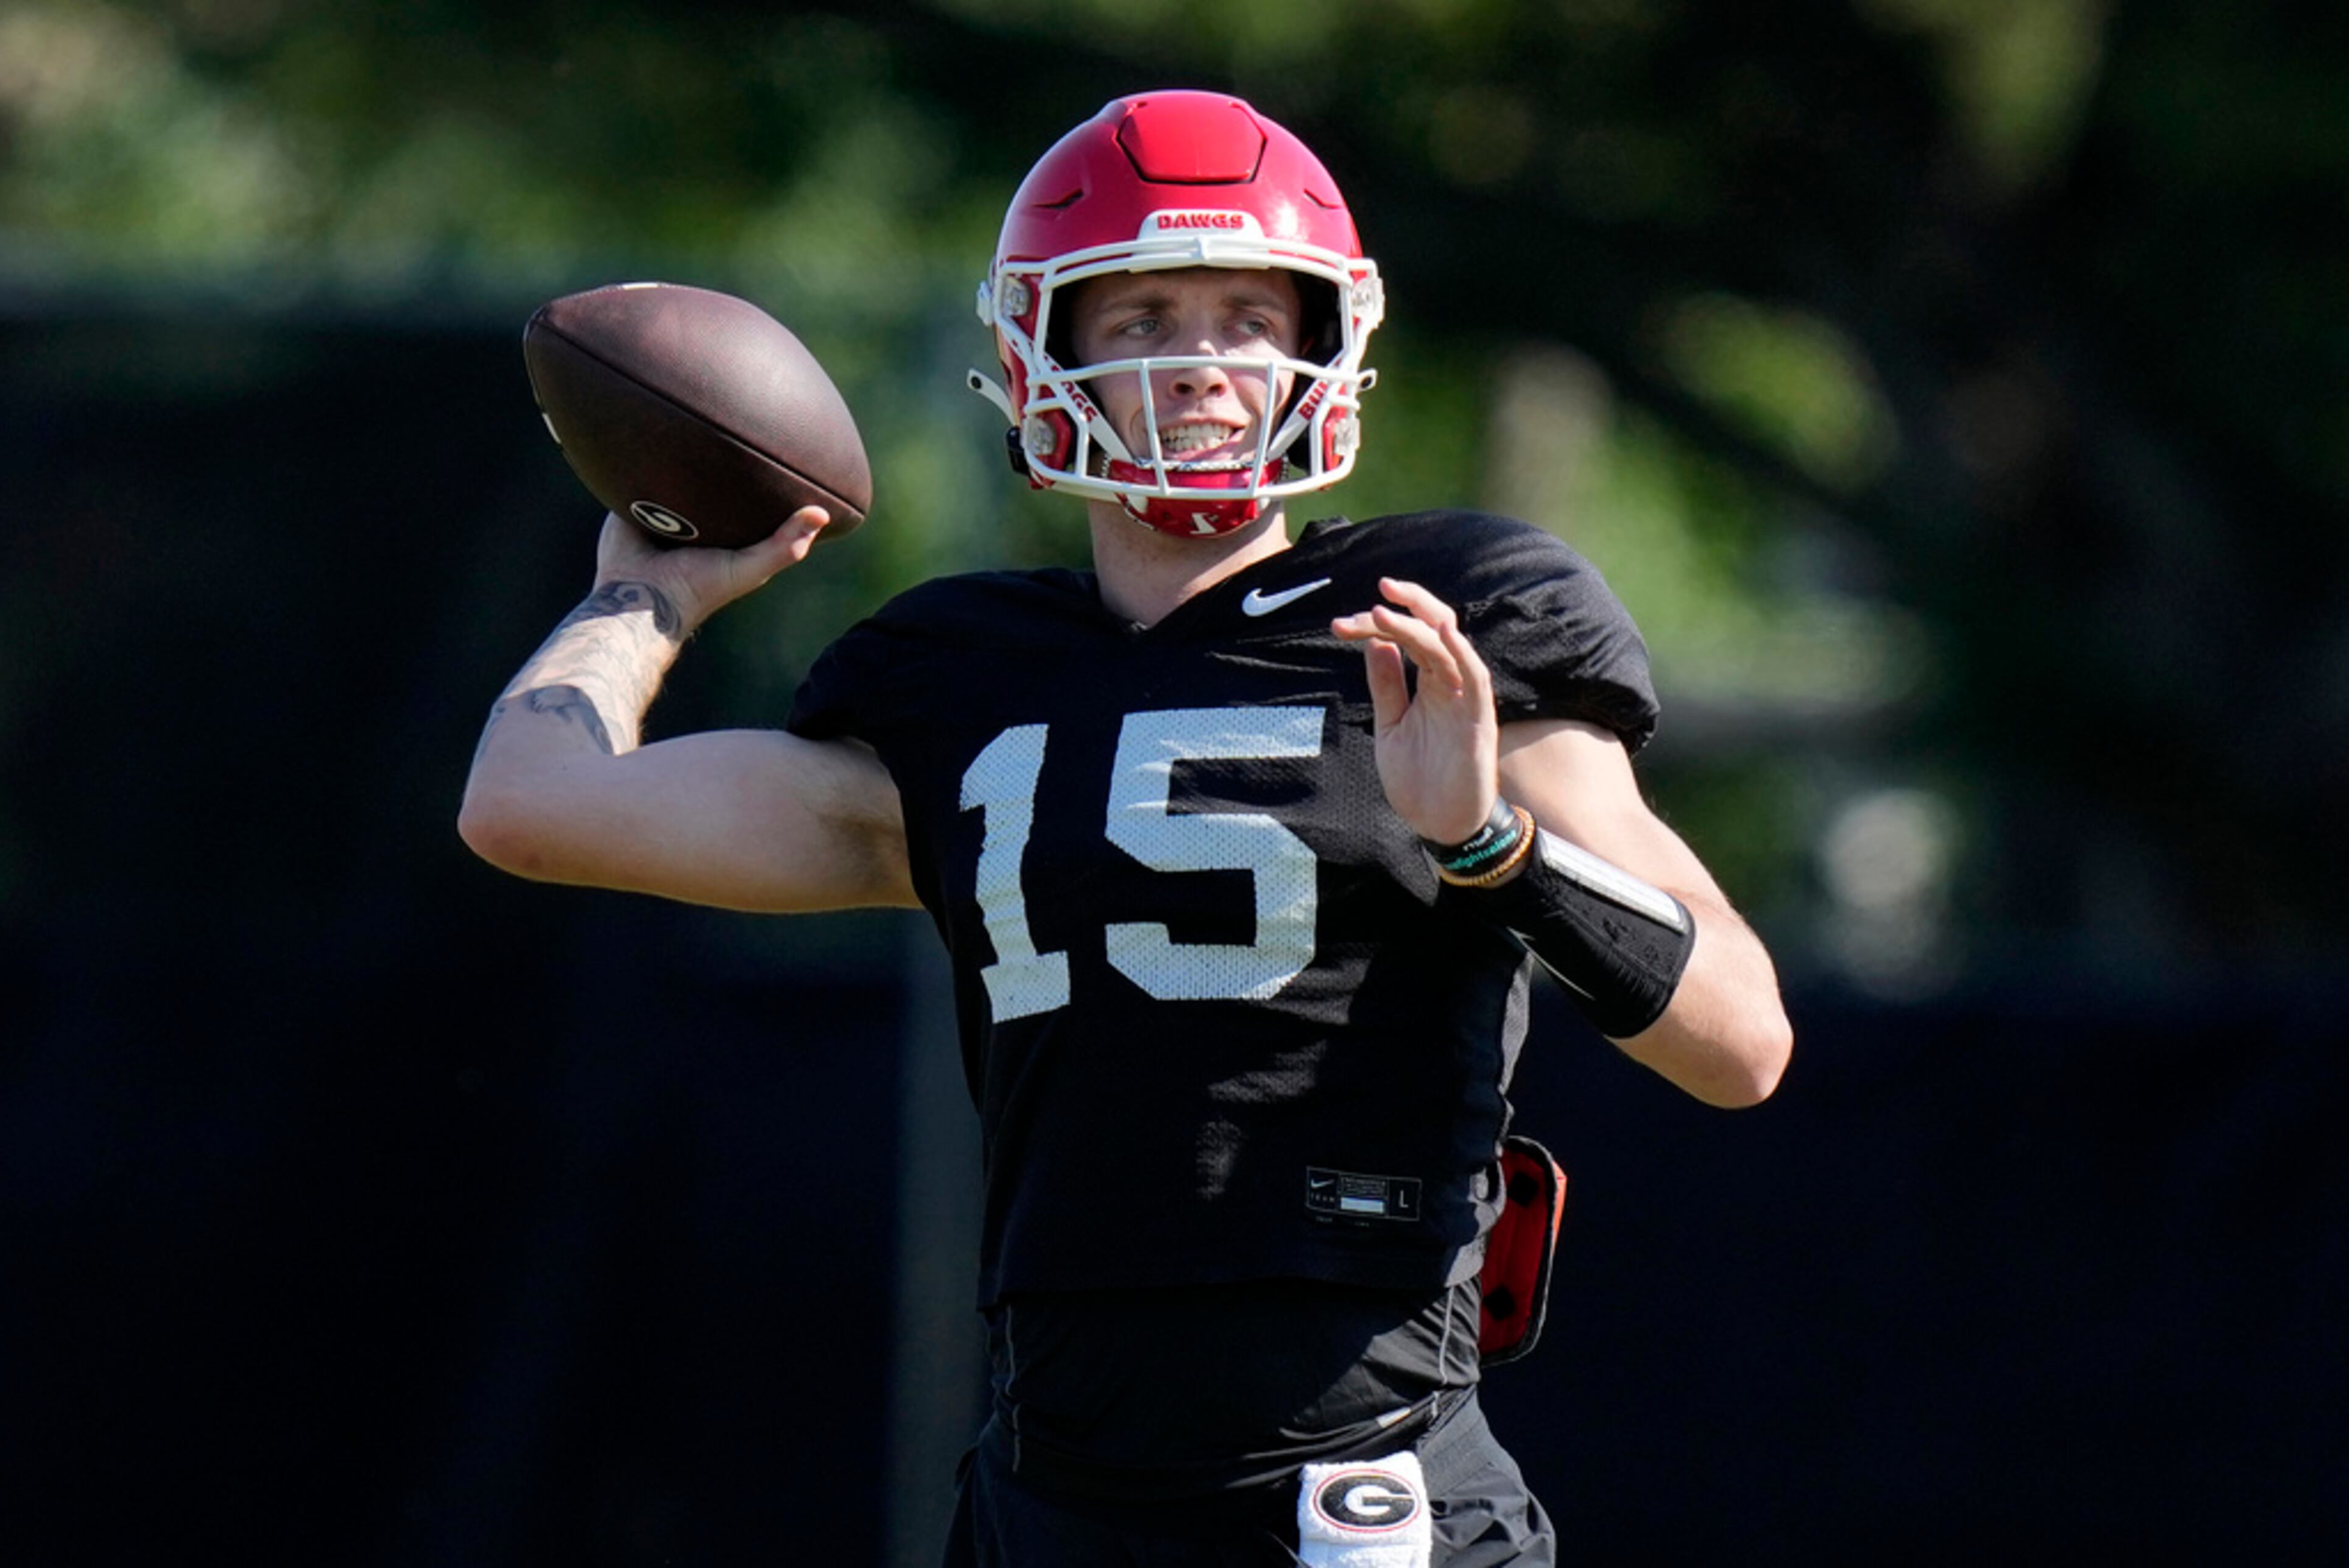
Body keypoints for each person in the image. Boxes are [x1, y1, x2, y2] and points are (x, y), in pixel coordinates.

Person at [461, 89, 1791, 1568]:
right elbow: (532, 805)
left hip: (1363, 1485)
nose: (1206, 363)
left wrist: (1486, 843)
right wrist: (644, 588)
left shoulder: (1449, 613)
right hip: (1057, 1495)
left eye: (1244, 312)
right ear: (1048, 351)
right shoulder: (953, 679)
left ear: (1324, 338)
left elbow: (1741, 1041)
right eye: (1146, 311)